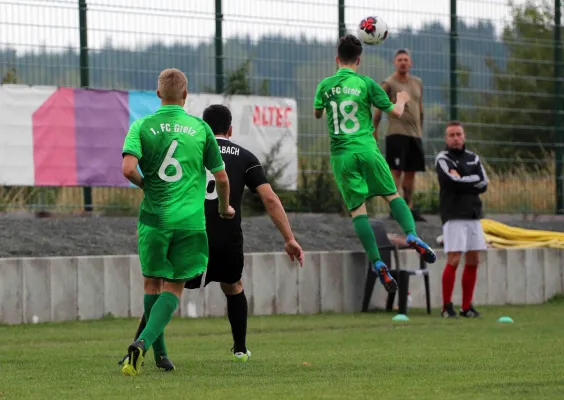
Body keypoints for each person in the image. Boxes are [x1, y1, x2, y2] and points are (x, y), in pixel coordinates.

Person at [119, 104, 304, 369]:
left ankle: (141, 348)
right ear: (230, 129)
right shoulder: (246, 157)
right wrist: (289, 238)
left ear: (204, 125)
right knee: (233, 286)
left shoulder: (191, 146)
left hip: (191, 228)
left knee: (163, 288)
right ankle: (240, 349)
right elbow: (269, 198)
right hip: (226, 236)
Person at [120, 68, 235, 376]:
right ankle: (145, 346)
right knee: (175, 285)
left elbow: (128, 169)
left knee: (151, 282)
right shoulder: (200, 128)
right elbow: (222, 178)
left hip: (154, 218)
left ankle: (159, 354)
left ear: (158, 94)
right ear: (186, 94)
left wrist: (146, 185)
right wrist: (225, 209)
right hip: (189, 221)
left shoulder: (141, 126)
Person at [313, 34, 436, 294]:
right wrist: (401, 99)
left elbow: (317, 113)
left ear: (337, 59)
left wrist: (327, 103)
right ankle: (411, 233)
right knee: (392, 194)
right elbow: (396, 113)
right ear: (359, 59)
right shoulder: (367, 84)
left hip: (342, 155)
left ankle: (378, 261)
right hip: (367, 149)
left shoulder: (325, 84)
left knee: (359, 211)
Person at [435, 121, 488, 318]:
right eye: (452, 135)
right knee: (454, 259)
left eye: (459, 134)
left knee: (474, 260)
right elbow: (451, 182)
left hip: (473, 214)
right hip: (454, 214)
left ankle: (466, 307)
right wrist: (470, 180)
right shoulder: (443, 158)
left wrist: (462, 178)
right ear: (446, 138)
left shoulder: (473, 158)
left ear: (464, 136)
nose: (456, 138)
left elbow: (484, 183)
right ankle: (446, 307)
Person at [372, 49, 426, 222]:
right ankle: (395, 208)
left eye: (406, 59)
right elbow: (378, 108)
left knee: (411, 172)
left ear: (410, 63)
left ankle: (408, 206)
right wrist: (374, 130)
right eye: (400, 60)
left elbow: (420, 107)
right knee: (396, 172)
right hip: (396, 134)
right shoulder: (388, 83)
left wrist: (420, 130)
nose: (403, 62)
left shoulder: (418, 83)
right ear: (395, 63)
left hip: (415, 135)